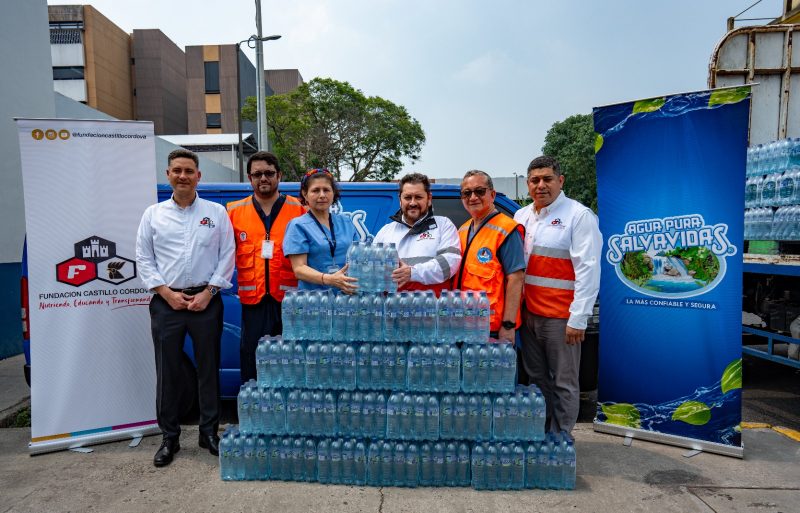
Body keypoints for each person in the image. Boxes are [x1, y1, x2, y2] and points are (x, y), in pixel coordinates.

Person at [136, 149, 235, 467]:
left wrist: (210, 291)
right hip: (167, 303)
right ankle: (170, 438)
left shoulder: (216, 213)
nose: (183, 176)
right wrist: (165, 292)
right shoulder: (153, 214)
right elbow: (143, 258)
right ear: (167, 174)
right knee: (168, 373)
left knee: (209, 369)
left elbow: (227, 254)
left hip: (206, 301)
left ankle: (209, 433)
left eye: (189, 170)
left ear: (198, 176)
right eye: (177, 170)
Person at [514, 155, 601, 434]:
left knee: (564, 382)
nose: (541, 185)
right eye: (535, 180)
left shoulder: (578, 216)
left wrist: (579, 318)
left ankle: (561, 441)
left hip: (561, 320)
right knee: (537, 380)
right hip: (529, 316)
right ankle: (542, 434)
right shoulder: (522, 215)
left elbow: (588, 269)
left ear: (560, 181)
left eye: (547, 179)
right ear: (528, 184)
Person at [227, 152, 305, 383]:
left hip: (290, 302)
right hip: (253, 302)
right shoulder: (232, 212)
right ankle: (256, 410)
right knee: (252, 358)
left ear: (279, 175)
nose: (263, 178)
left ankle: (288, 413)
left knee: (291, 359)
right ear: (249, 178)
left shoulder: (299, 209)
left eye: (269, 173)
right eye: (257, 174)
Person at [451, 170, 525, 342]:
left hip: (492, 329)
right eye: (467, 193)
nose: (473, 197)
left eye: (480, 191)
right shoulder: (462, 230)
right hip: (466, 326)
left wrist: (508, 325)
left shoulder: (506, 229)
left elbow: (516, 279)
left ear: (492, 195)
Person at [373, 172, 460, 294]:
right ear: (400, 200)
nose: (412, 203)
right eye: (408, 197)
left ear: (429, 199)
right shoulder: (386, 231)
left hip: (433, 308)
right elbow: (372, 270)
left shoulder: (444, 225)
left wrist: (412, 273)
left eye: (418, 197)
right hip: (393, 309)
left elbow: (448, 264)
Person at [283, 169, 359, 293]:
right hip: (316, 301)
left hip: (346, 298)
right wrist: (329, 279)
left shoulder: (346, 222)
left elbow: (358, 259)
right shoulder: (298, 225)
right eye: (316, 190)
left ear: (333, 193)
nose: (322, 195)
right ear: (305, 193)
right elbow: (299, 269)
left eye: (326, 190)